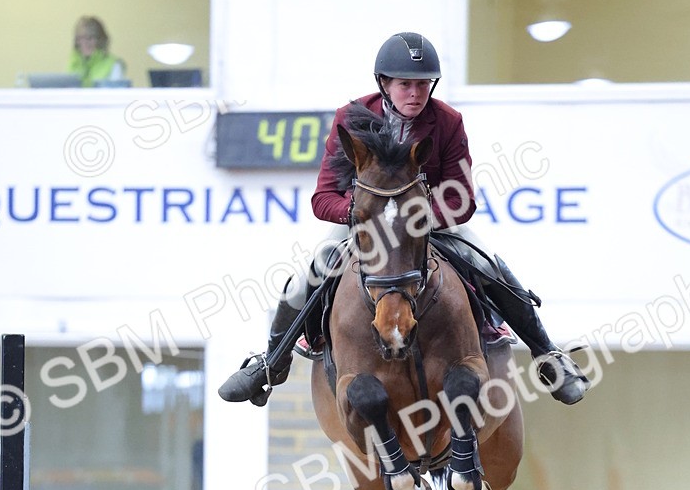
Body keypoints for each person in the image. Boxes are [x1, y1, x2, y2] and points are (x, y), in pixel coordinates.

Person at [218, 31, 589, 407]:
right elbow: (323, 197)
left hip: (431, 221)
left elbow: (461, 196)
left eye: (423, 84)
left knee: (487, 263)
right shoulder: (351, 119)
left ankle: (547, 355)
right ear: (383, 84)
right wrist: (357, 215)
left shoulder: (447, 121)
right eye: (405, 85)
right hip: (365, 223)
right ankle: (269, 363)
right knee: (307, 276)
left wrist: (418, 222)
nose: (415, 93)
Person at [68, 17, 125, 87]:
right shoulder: (73, 63)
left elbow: (116, 95)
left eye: (89, 38)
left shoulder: (114, 65)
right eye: (80, 38)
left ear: (100, 40)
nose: (84, 42)